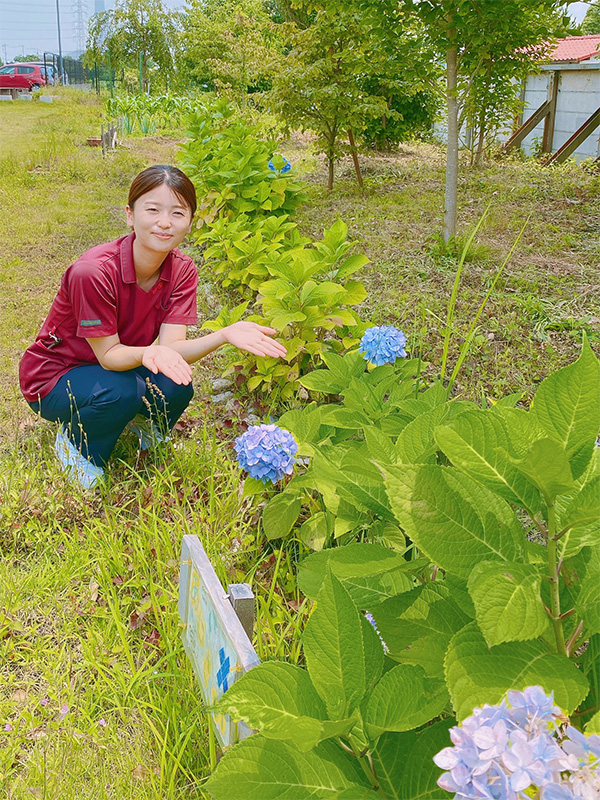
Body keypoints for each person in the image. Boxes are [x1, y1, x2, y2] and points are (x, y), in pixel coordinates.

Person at [19, 164, 286, 489]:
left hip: (124, 363)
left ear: (190, 221)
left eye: (177, 212)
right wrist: (151, 353)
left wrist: (224, 335)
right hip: (56, 377)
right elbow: (109, 357)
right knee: (120, 391)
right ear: (130, 215)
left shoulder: (182, 270)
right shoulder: (93, 272)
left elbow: (171, 350)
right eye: (153, 210)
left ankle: (138, 427)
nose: (164, 222)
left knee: (176, 385)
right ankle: (78, 447)